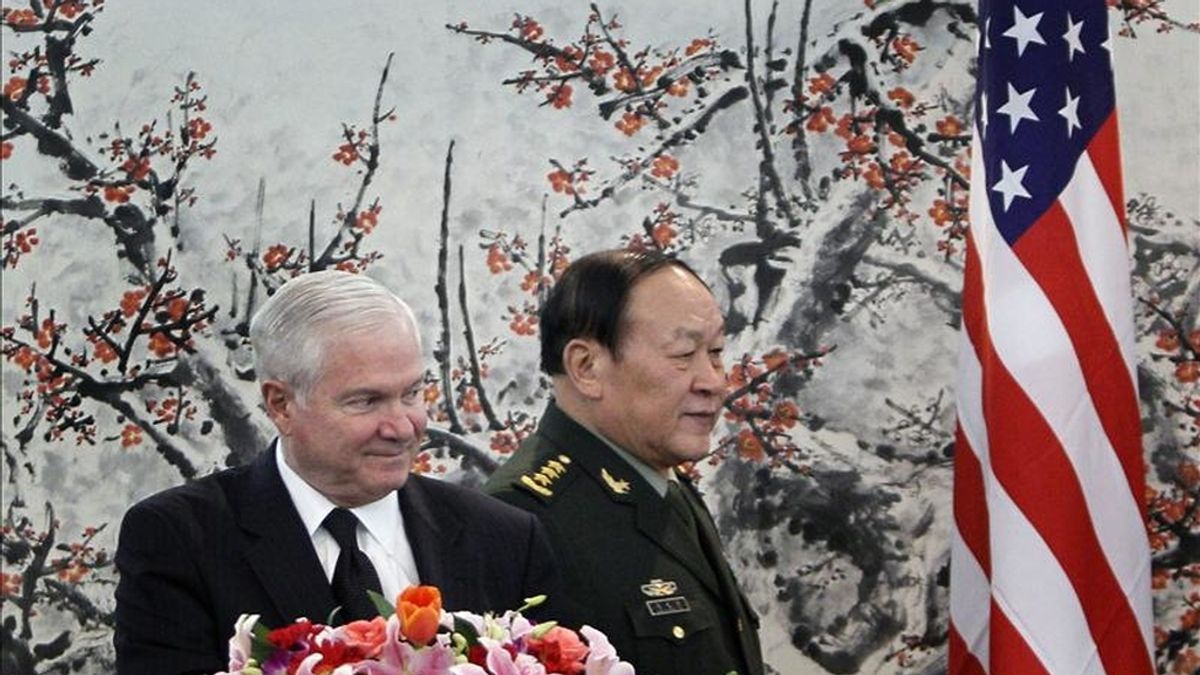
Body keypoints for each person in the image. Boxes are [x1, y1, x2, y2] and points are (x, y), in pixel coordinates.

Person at [114, 270, 562, 675]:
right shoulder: (180, 540)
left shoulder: (505, 538)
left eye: (412, 393)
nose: (403, 427)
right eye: (365, 401)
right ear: (281, 404)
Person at [485, 249, 765, 675]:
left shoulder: (663, 483)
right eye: (684, 354)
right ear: (586, 367)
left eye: (716, 352)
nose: (713, 381)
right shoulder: (522, 521)